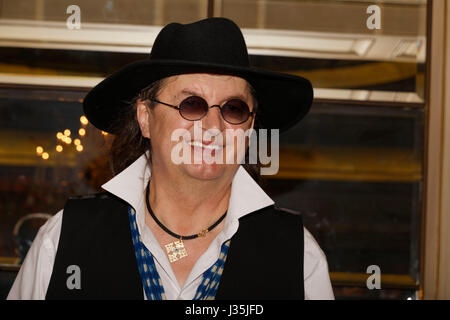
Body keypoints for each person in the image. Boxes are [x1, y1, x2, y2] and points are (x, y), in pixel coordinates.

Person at [8, 17, 334, 300]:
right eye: (191, 104)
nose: (212, 127)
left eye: (233, 108)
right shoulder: (64, 237)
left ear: (249, 126)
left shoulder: (298, 257)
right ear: (146, 118)